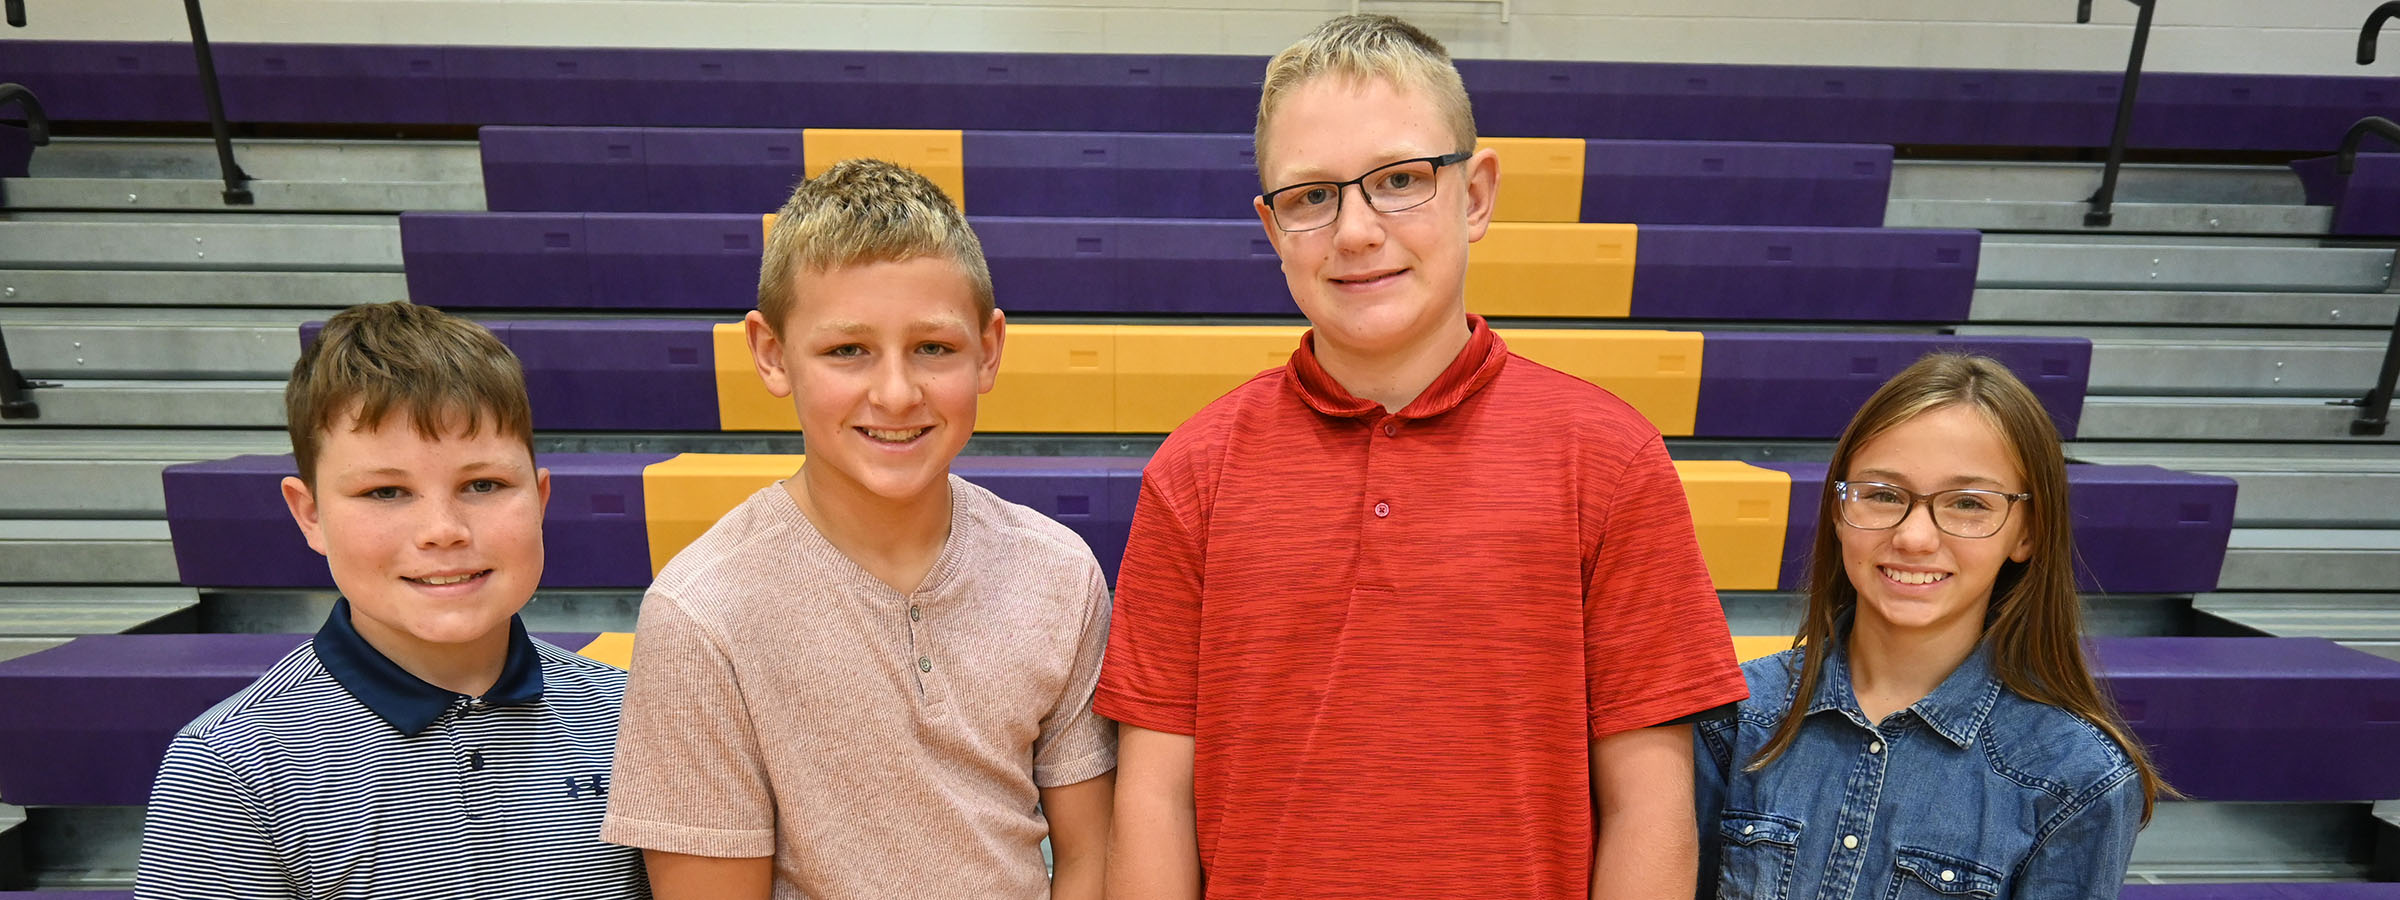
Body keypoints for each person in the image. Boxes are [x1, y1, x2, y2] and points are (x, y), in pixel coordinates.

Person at [1098, 14, 1748, 900]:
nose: (1356, 231)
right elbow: (1156, 800)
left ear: (1475, 194)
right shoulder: (1196, 472)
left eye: (1400, 180)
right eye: (1311, 196)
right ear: (1271, 224)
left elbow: (1649, 807)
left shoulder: (1608, 458)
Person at [599, 158, 1116, 900]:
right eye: (848, 351)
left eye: (932, 348)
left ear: (989, 350)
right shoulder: (701, 614)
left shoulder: (1058, 572)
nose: (897, 392)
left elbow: (1092, 855)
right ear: (772, 354)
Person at [136, 301, 648, 899]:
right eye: (386, 491)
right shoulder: (227, 767)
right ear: (311, 515)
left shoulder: (636, 715)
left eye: (483, 485)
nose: (443, 529)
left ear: (540, 499)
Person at [1695, 353, 2169, 900]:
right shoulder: (1732, 717)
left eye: (1969, 503)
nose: (1915, 537)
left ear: (2026, 534)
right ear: (1837, 510)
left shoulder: (2078, 778)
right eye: (1883, 495)